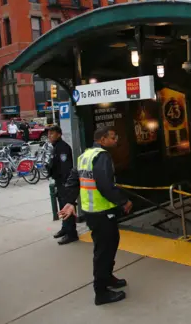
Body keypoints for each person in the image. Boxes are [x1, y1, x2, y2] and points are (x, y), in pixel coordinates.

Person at [58, 127, 133, 306]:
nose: (116, 140)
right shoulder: (102, 156)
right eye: (113, 137)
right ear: (102, 139)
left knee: (110, 243)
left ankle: (107, 278)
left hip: (93, 212)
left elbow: (73, 180)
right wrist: (123, 201)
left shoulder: (85, 155)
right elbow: (105, 185)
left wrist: (70, 202)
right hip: (102, 212)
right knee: (103, 251)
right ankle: (101, 292)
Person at [48, 126, 77, 245]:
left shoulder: (63, 148)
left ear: (59, 134)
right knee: (62, 207)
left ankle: (71, 234)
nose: (49, 136)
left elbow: (66, 168)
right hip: (59, 182)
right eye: (49, 134)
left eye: (52, 134)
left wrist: (66, 185)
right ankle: (65, 229)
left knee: (66, 208)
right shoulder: (55, 147)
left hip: (65, 183)